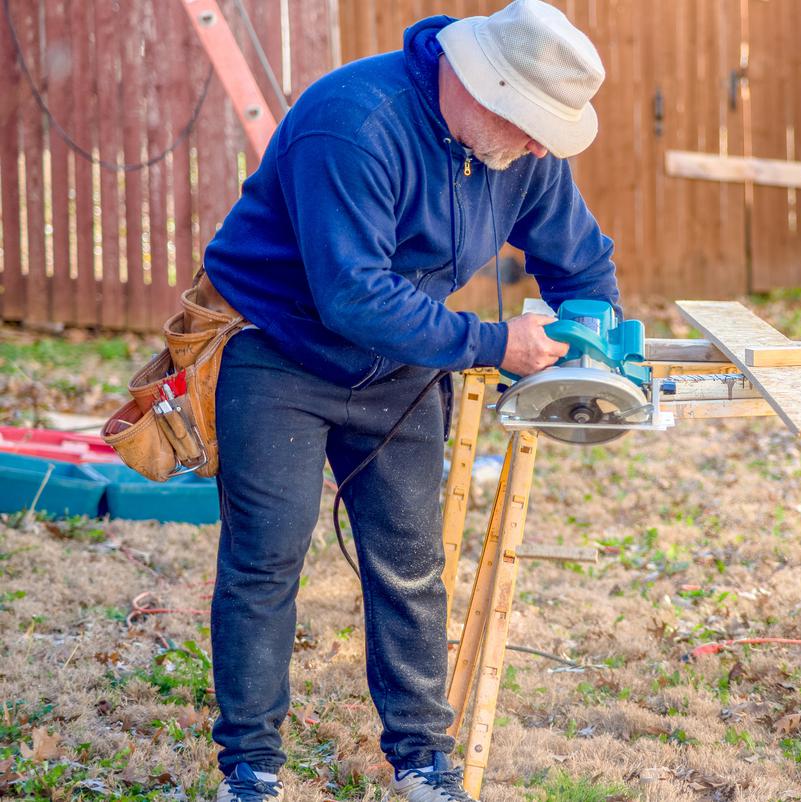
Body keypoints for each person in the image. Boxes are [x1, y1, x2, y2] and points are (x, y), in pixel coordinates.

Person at [199, 2, 618, 800]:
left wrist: (599, 348)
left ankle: (422, 761)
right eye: (532, 126)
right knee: (265, 564)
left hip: (402, 364)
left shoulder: (515, 150)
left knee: (411, 567)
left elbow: (582, 262)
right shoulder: (354, 124)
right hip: (280, 351)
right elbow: (352, 294)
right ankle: (249, 769)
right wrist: (496, 345)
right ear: (486, 88)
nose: (538, 147)